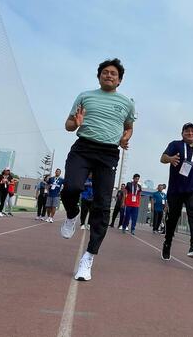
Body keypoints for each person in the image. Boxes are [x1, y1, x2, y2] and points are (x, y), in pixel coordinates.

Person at [59, 58, 136, 281]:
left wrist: (124, 138)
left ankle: (89, 258)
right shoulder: (85, 96)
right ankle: (73, 214)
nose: (109, 75)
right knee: (72, 187)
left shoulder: (126, 103)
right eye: (105, 72)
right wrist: (77, 122)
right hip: (83, 147)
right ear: (99, 76)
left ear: (119, 80)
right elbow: (68, 126)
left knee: (102, 206)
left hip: (108, 153)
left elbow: (129, 127)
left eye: (113, 73)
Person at [160, 122, 193, 260]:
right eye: (187, 131)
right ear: (182, 133)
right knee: (173, 219)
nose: (190, 133)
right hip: (176, 189)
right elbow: (162, 158)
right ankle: (167, 242)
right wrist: (170, 159)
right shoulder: (175, 144)